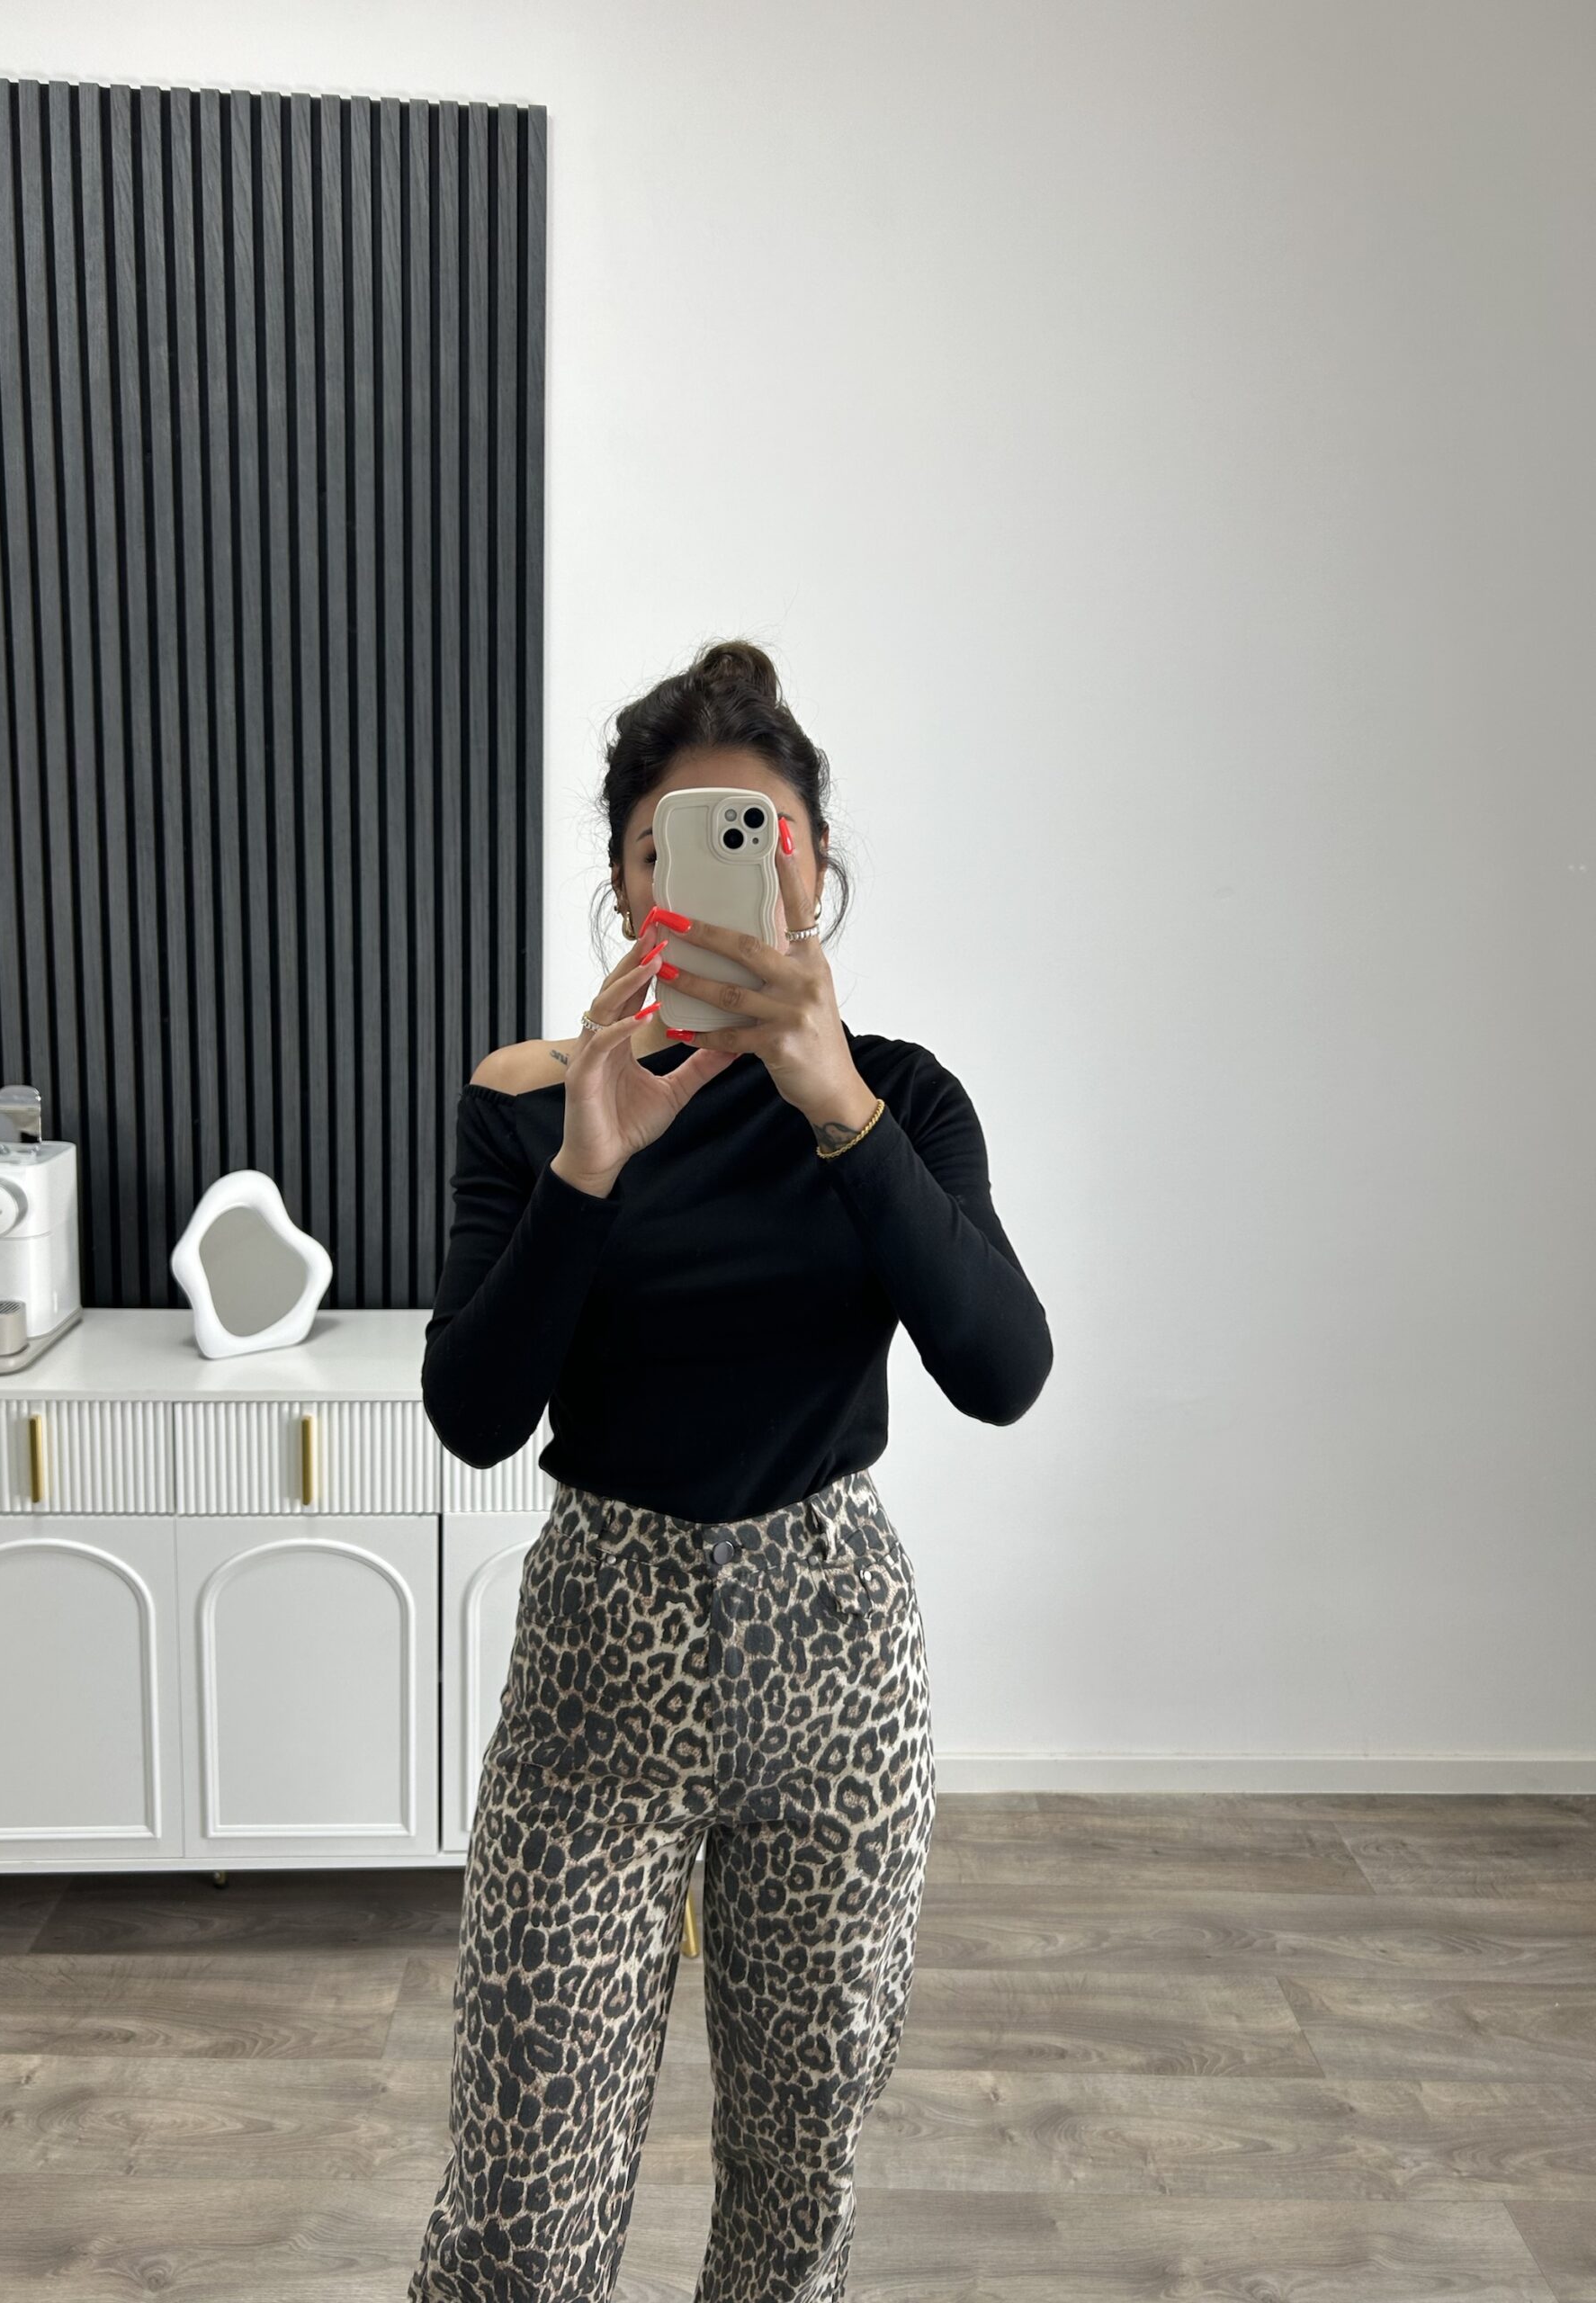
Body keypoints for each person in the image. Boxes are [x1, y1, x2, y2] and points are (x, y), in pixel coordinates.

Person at [408, 639, 1053, 2302]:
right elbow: (473, 1412)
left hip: (837, 1664)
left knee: (795, 2186)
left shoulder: (903, 1101)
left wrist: (837, 1106)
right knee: (521, 2211)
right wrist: (589, 1166)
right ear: (630, 888)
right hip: (594, 1678)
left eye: (759, 835)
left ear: (812, 871)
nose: (710, 870)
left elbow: (1003, 1370)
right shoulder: (528, 1110)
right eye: (666, 844)